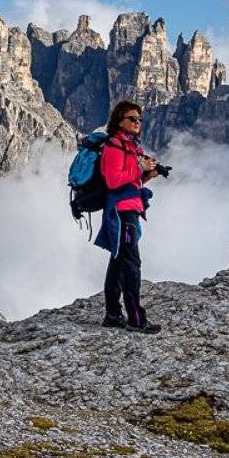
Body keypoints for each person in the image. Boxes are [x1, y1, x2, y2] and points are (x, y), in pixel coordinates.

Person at [95, 100, 161, 333]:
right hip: (121, 213)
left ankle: (113, 315)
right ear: (119, 121)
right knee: (131, 264)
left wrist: (147, 175)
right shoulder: (115, 146)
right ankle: (136, 319)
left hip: (129, 210)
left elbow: (130, 181)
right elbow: (113, 181)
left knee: (118, 261)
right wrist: (140, 168)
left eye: (139, 119)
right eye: (132, 119)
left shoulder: (131, 147)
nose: (137, 122)